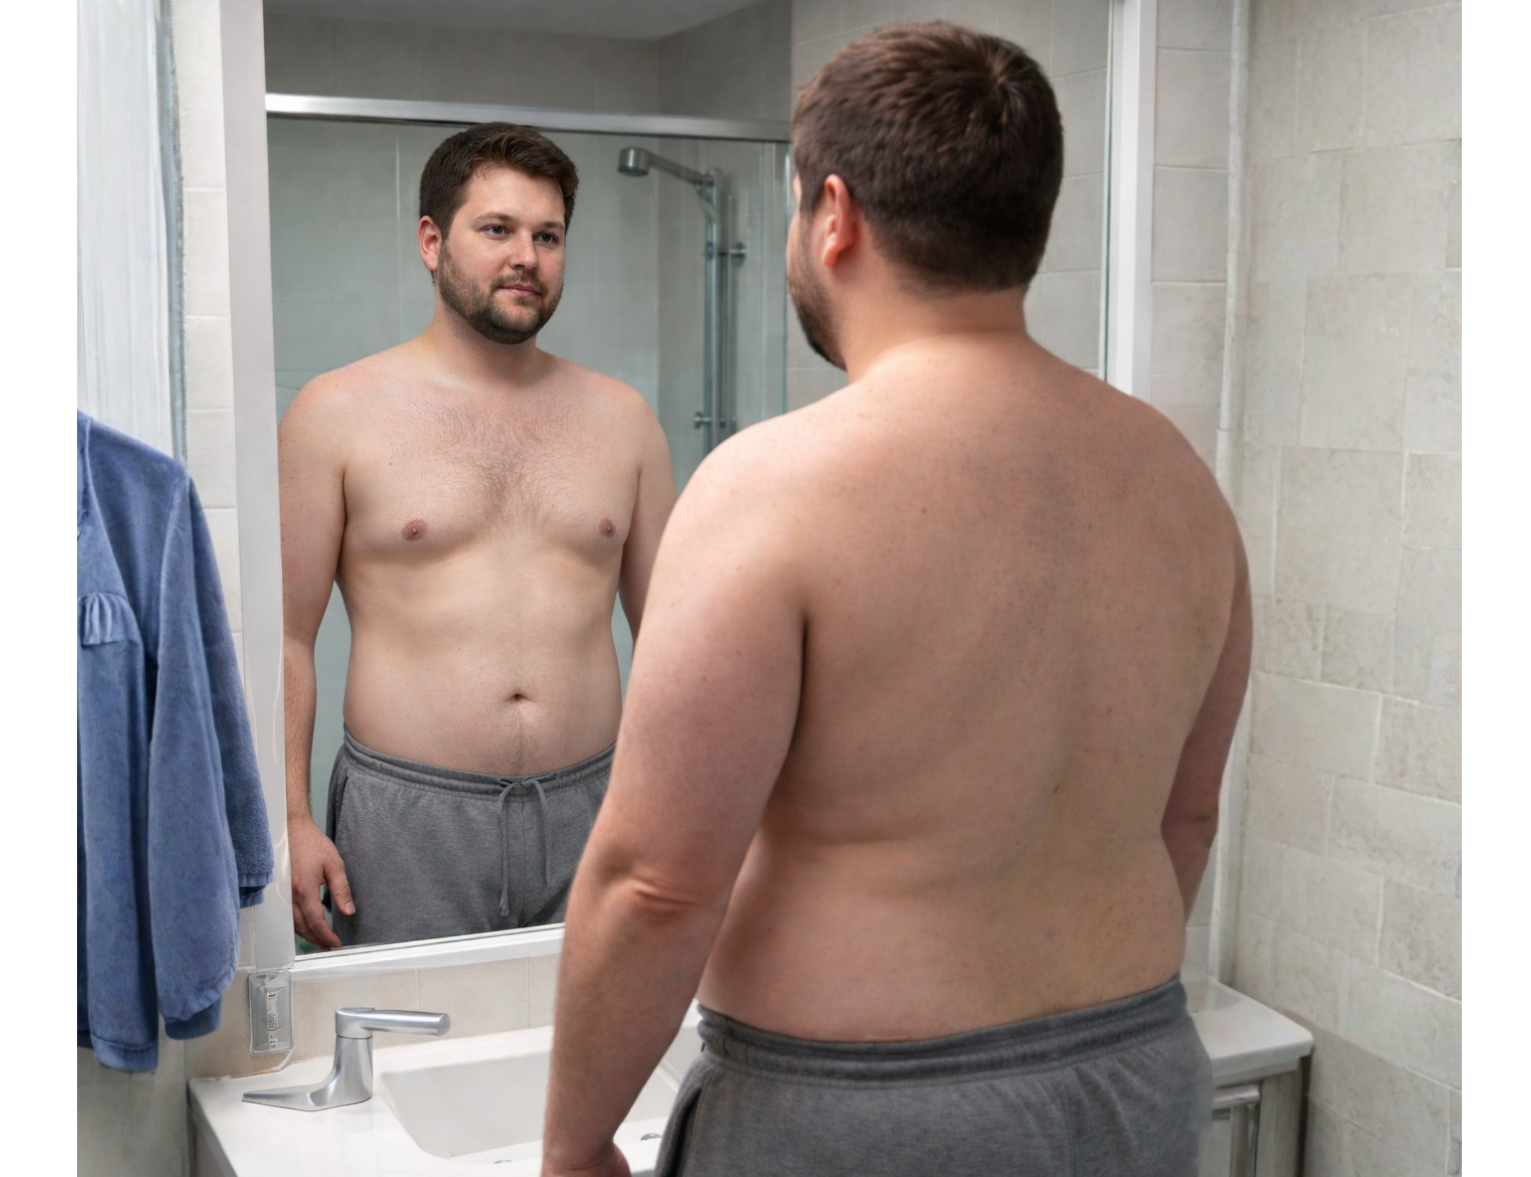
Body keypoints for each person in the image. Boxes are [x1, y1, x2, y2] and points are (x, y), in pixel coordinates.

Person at [541, 22, 1250, 1177]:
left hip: (869, 1118)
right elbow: (1185, 816)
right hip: (1137, 1073)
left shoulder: (775, 486)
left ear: (834, 215)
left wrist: (574, 1147)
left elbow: (658, 882)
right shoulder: (1179, 483)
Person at [279, 123, 676, 951]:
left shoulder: (625, 420)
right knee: (411, 1059)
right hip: (407, 820)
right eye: (496, 229)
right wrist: (291, 820)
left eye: (548, 235)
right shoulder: (335, 412)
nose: (525, 254)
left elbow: (675, 636)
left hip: (593, 806)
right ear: (432, 241)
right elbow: (284, 637)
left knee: (584, 1059)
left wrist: (675, 804)